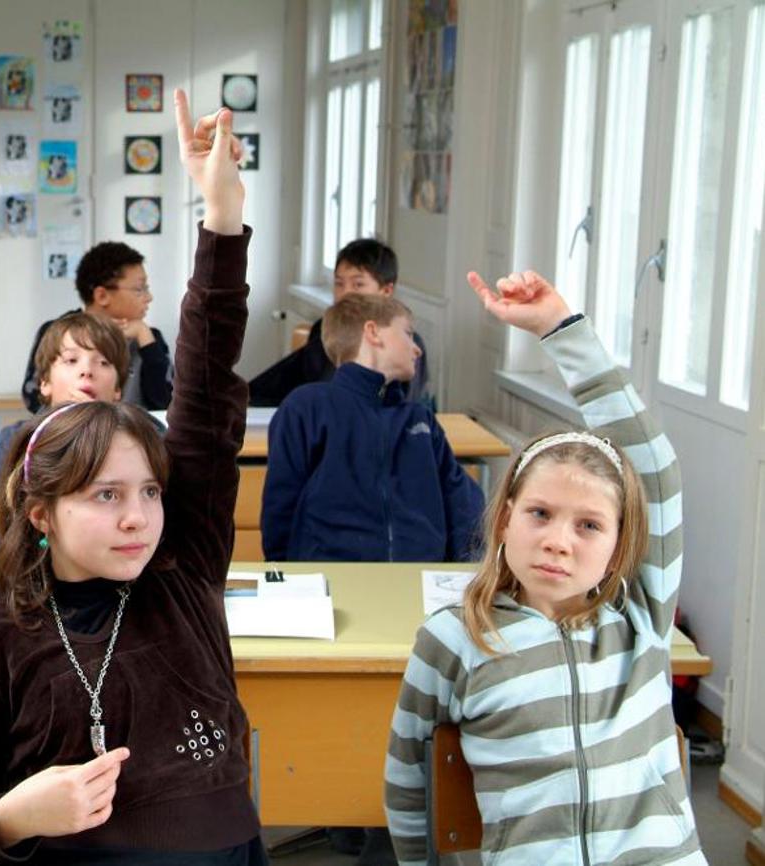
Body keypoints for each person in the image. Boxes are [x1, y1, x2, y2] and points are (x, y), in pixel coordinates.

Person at [0, 89, 267, 864]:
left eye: (148, 492)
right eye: (106, 497)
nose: (140, 517)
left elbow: (206, 395)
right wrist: (13, 814)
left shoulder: (183, 572)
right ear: (41, 514)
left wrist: (222, 217)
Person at [384, 270, 704, 865]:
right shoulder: (454, 636)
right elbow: (409, 777)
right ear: (504, 520)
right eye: (540, 514)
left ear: (620, 542)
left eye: (588, 525)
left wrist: (561, 331)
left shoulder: (639, 616)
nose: (559, 541)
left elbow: (654, 470)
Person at [261, 292, 482, 563]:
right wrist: (289, 580)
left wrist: (464, 575)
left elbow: (462, 502)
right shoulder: (307, 407)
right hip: (332, 577)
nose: (417, 348)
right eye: (408, 333)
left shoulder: (418, 418)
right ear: (373, 332)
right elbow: (279, 508)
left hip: (418, 582)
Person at [0, 312, 130, 614]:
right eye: (70, 361)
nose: (87, 372)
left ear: (118, 390)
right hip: (30, 601)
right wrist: (43, 556)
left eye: (103, 362)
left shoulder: (137, 448)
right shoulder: (13, 443)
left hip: (115, 604)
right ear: (44, 383)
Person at [248, 238, 428, 407]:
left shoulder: (408, 343)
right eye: (339, 283)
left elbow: (405, 407)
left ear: (386, 290)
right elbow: (289, 378)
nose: (345, 293)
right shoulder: (325, 328)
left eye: (358, 285)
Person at [21, 242, 172, 414]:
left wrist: (145, 337)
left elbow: (165, 402)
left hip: (131, 436)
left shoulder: (150, 339)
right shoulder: (57, 332)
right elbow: (33, 398)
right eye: (139, 289)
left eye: (104, 362)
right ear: (102, 295)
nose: (149, 297)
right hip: (66, 431)